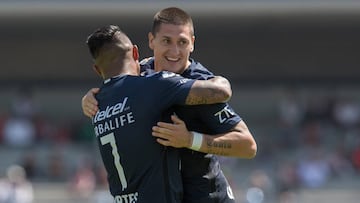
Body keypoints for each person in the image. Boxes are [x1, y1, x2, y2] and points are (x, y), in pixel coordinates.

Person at [82, 7, 257, 203]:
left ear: (192, 44)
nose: (174, 52)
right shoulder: (143, 74)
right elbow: (114, 77)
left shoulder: (200, 85)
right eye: (166, 41)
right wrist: (91, 98)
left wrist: (190, 140)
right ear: (151, 41)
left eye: (182, 42)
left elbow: (247, 145)